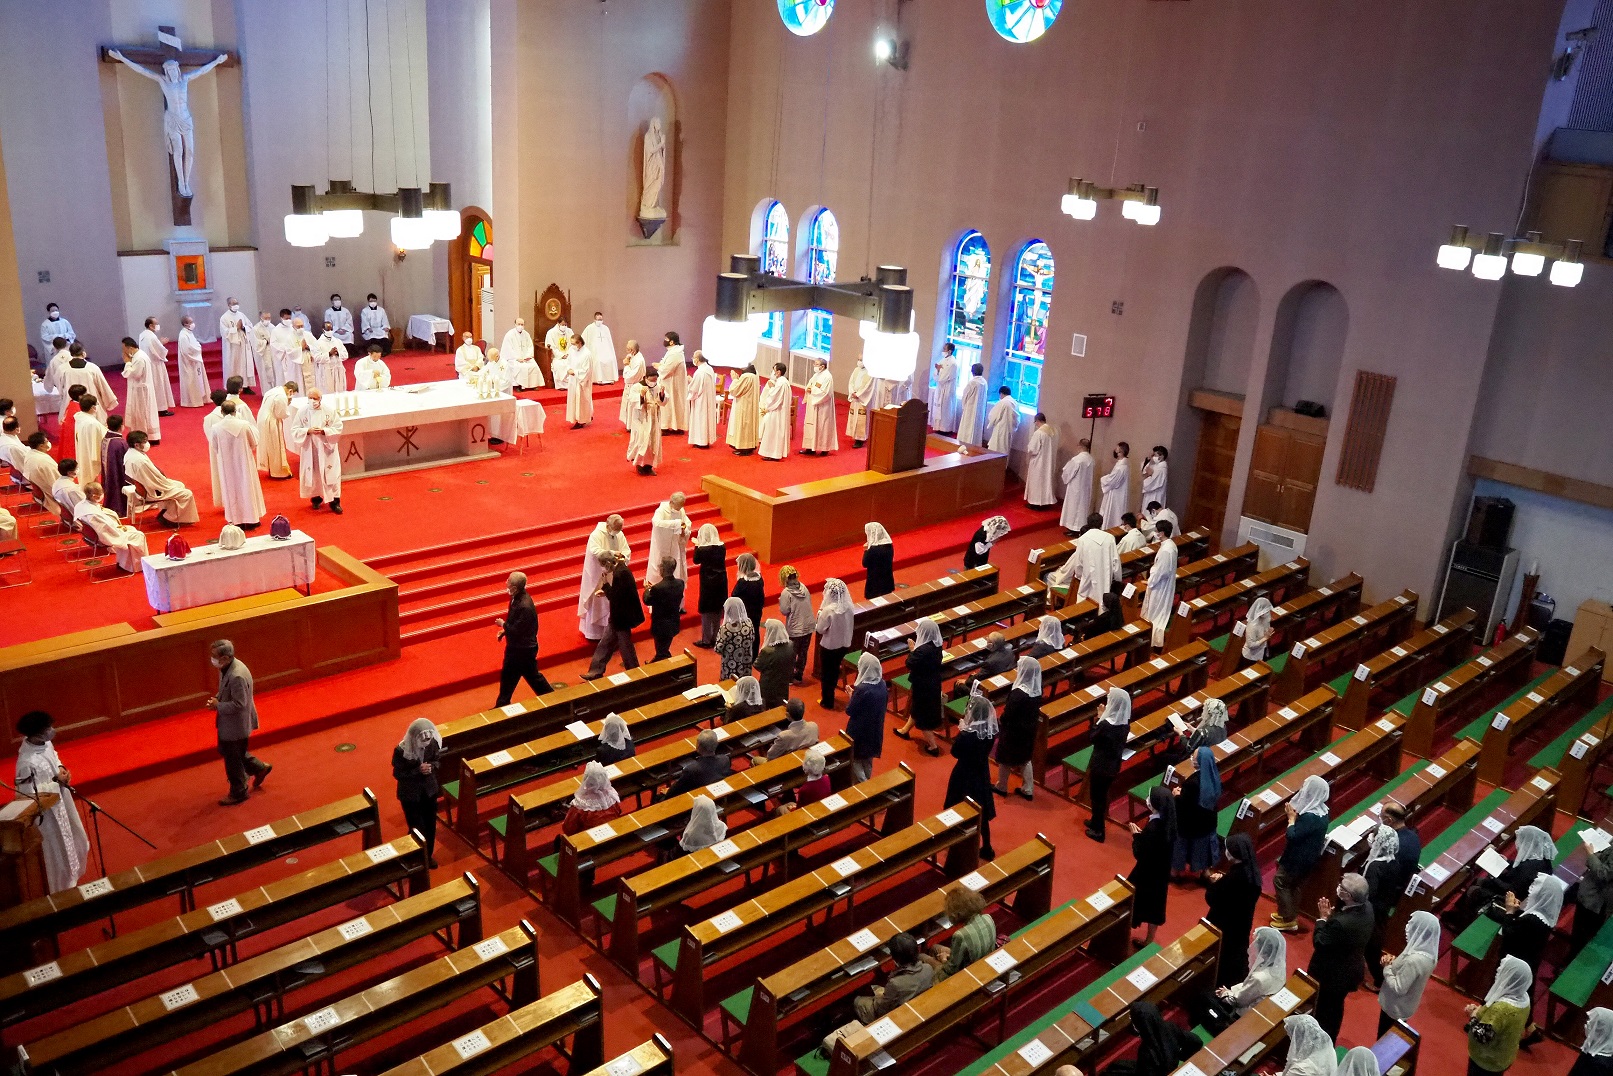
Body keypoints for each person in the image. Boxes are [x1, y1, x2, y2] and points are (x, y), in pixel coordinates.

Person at [13, 711, 90, 894]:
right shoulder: (27, 763)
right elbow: (27, 794)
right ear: (37, 733)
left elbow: (54, 756)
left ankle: (71, 879)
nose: (52, 730)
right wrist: (56, 783)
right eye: (48, 728)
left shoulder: (44, 743)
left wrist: (61, 768)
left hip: (62, 803)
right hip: (47, 817)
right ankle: (59, 890)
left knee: (73, 838)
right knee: (56, 852)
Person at [1309, 872, 1375, 1040]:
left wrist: (1323, 920)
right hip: (1350, 968)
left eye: (1342, 887)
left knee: (1324, 1011)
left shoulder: (1341, 923)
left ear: (1349, 896)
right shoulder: (1367, 907)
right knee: (1336, 1008)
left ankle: (1320, 1041)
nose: (1338, 887)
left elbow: (1320, 942)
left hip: (1332, 974)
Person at [207, 640, 271, 806]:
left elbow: (239, 704)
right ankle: (259, 768)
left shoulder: (237, 676)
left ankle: (238, 791)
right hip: (231, 722)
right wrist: (218, 699)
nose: (212, 659)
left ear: (226, 657)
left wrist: (218, 705)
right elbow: (226, 690)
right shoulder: (227, 667)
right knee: (233, 752)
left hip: (236, 724)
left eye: (214, 656)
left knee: (232, 759)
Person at [1459, 824, 1555, 926]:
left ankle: (1462, 921)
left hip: (1512, 898)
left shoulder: (1529, 867)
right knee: (1479, 881)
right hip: (1519, 888)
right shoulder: (1542, 858)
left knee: (1474, 890)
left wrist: (1493, 877)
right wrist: (1508, 862)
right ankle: (1459, 911)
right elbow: (1521, 869)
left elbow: (1510, 890)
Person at [947, 686, 999, 859]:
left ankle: (954, 843)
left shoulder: (967, 736)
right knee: (981, 812)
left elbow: (955, 752)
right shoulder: (989, 733)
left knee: (956, 806)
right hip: (981, 773)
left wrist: (962, 732)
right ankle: (987, 846)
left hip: (964, 774)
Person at [1272, 775, 1330, 930]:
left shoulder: (1310, 816)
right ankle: (1288, 913)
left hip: (1297, 859)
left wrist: (1291, 819)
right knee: (1294, 885)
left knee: (1281, 882)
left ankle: (1288, 920)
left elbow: (1293, 835)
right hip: (1308, 858)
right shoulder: (1323, 812)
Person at [1206, 834, 1265, 987]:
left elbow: (1213, 899)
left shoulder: (1234, 877)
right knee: (1237, 952)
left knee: (1224, 956)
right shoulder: (1252, 872)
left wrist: (1215, 883)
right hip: (1242, 922)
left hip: (1226, 924)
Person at [1466, 956, 1532, 1076]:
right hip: (1504, 1057)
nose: (1497, 973)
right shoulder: (1524, 999)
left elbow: (1482, 1036)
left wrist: (1473, 1016)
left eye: (1502, 971)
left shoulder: (1501, 1009)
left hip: (1487, 1061)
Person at [495, 572, 554, 705]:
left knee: (531, 677)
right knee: (510, 676)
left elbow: (517, 630)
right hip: (517, 647)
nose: (506, 583)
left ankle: (553, 698)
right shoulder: (516, 598)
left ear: (515, 587)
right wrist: (505, 631)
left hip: (523, 650)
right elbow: (516, 623)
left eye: (508, 581)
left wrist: (503, 624)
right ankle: (502, 703)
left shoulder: (524, 606)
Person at [1377, 910, 1439, 1035]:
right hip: (1407, 1005)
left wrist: (1387, 967)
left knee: (1384, 1039)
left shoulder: (1413, 960)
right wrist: (1394, 962)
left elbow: (1398, 988)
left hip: (1395, 1008)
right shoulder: (1429, 955)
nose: (1407, 928)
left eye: (1412, 926)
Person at [1129, 785, 1176, 946]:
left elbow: (1141, 854)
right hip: (1161, 872)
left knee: (1131, 899)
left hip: (1146, 873)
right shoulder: (1169, 820)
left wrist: (1136, 836)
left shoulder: (1154, 827)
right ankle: (1149, 939)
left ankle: (1120, 934)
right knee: (1155, 906)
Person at [392, 718, 442, 868]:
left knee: (430, 825)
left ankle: (427, 856)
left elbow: (437, 760)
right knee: (417, 827)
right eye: (423, 739)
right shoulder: (401, 750)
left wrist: (431, 767)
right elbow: (398, 774)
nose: (426, 742)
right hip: (411, 795)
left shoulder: (432, 743)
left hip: (429, 791)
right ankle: (413, 855)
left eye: (428, 738)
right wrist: (417, 771)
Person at [1105, 1001, 1202, 1076]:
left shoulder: (1146, 1052)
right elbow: (1196, 1041)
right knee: (1117, 1065)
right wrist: (1181, 1056)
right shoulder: (1170, 1027)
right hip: (1169, 1067)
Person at [287, 388, 345, 513]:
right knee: (314, 474)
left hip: (326, 448)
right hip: (311, 449)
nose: (312, 401)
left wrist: (324, 431)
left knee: (331, 474)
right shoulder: (302, 412)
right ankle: (316, 499)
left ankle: (335, 502)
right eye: (310, 398)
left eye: (315, 398)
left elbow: (338, 427)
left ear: (320, 399)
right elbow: (295, 429)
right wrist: (307, 431)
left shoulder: (329, 411)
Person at [586, 554, 645, 676]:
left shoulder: (620, 574)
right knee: (605, 644)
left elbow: (616, 598)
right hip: (619, 615)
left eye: (604, 565)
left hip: (621, 616)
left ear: (609, 563)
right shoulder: (621, 570)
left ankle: (634, 671)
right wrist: (606, 591)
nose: (604, 568)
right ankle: (595, 671)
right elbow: (619, 593)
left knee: (625, 647)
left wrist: (606, 585)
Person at [854, 933, 934, 1022]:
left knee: (857, 1001)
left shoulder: (895, 983)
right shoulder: (928, 968)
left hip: (901, 1014)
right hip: (918, 1003)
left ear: (896, 957)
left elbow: (881, 1009)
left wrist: (877, 997)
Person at [1360, 824, 1403, 988]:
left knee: (1371, 948)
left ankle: (1380, 980)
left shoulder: (1375, 866)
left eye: (1374, 836)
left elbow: (1368, 892)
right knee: (1373, 944)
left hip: (1371, 910)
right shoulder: (1394, 862)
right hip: (1384, 908)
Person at [209, 401, 265, 527]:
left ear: (221, 412)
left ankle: (235, 519)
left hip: (226, 465)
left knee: (231, 488)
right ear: (235, 411)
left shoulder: (216, 428)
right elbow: (254, 442)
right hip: (244, 461)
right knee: (247, 486)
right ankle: (251, 519)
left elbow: (215, 447)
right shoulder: (244, 425)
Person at [895, 618, 946, 755]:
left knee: (923, 717)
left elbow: (909, 663)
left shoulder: (922, 650)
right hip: (933, 683)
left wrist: (912, 650)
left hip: (923, 687)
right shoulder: (937, 646)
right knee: (917, 708)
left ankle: (933, 747)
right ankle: (905, 730)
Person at [124, 431, 200, 523]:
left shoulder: (130, 453)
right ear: (136, 445)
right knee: (187, 494)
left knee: (179, 484)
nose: (147, 443)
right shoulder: (140, 461)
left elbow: (150, 477)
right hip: (150, 492)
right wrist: (167, 484)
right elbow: (154, 482)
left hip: (144, 487)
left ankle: (167, 511)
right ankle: (170, 519)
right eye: (144, 441)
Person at [994, 656, 1042, 800]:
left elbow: (1009, 713)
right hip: (1029, 731)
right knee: (1025, 759)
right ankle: (1028, 789)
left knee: (1005, 759)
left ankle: (1001, 786)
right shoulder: (1036, 690)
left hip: (1013, 732)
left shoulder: (1018, 693)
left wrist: (1001, 721)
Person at [921, 887, 995, 981]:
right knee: (934, 947)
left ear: (957, 913)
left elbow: (951, 969)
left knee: (922, 957)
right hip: (982, 962)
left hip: (966, 973)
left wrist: (944, 959)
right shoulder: (988, 918)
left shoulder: (961, 935)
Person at [1087, 686, 1131, 841]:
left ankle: (1099, 831)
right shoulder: (1124, 724)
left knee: (1097, 798)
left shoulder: (1106, 725)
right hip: (1112, 766)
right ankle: (1095, 822)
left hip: (1101, 766)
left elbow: (1092, 737)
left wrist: (1099, 717)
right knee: (1101, 796)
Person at [73, 482, 149, 571]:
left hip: (93, 534)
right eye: (100, 494)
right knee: (138, 535)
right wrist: (120, 529)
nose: (102, 495)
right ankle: (138, 566)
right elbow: (107, 530)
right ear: (94, 496)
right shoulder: (94, 515)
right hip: (103, 536)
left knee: (131, 529)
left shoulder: (80, 505)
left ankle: (124, 563)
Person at [1173, 745, 1222, 876]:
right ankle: (1205, 872)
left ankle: (1175, 872)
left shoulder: (1192, 783)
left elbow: (1185, 805)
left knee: (1180, 844)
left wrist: (1177, 795)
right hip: (1208, 822)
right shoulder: (1214, 775)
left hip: (1191, 824)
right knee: (1204, 850)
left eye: (1193, 757)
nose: (1191, 759)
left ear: (1198, 762)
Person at [1051, 513, 1121, 605]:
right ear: (1101, 523)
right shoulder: (1110, 538)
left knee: (1086, 603)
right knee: (1103, 600)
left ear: (1088, 523)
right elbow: (1115, 560)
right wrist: (1117, 578)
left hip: (1088, 578)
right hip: (1105, 577)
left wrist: (1079, 576)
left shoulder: (1083, 539)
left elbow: (1079, 563)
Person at [580, 515, 631, 641]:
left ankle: (610, 633)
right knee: (598, 602)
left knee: (611, 601)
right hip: (598, 574)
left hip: (614, 574)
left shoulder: (619, 534)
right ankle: (594, 634)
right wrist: (612, 554)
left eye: (619, 529)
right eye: (616, 529)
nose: (617, 532)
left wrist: (622, 557)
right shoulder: (596, 535)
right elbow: (594, 551)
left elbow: (626, 550)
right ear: (608, 526)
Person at [1216, 926, 1287, 1015]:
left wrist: (1225, 993)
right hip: (1264, 1005)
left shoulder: (1259, 978)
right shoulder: (1279, 968)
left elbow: (1238, 1001)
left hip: (1249, 1013)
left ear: (1263, 950)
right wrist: (1231, 991)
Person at [845, 652, 888, 782]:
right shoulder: (882, 684)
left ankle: (864, 787)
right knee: (868, 760)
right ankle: (868, 781)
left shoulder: (863, 689)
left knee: (855, 760)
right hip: (875, 729)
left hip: (860, 731)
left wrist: (851, 696)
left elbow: (850, 710)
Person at [814, 578, 855, 709]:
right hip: (844, 644)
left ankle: (827, 701)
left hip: (829, 646)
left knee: (826, 673)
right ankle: (831, 694)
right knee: (835, 669)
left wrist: (819, 616)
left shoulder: (828, 610)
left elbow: (820, 629)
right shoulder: (848, 606)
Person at [1139, 520, 1178, 646]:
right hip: (1162, 583)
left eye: (1156, 531)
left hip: (1160, 585)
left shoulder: (1167, 550)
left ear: (1161, 533)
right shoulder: (1170, 545)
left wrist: (1151, 581)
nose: (1155, 533)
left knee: (1155, 612)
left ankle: (1153, 640)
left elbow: (1162, 571)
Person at [562, 762, 623, 837]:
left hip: (589, 839)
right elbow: (618, 813)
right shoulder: (612, 798)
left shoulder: (580, 806)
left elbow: (568, 829)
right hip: (614, 835)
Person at [693, 524, 730, 647]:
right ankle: (715, 636)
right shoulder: (722, 547)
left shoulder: (703, 550)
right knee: (718, 608)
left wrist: (697, 545)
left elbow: (696, 560)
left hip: (708, 583)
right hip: (721, 580)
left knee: (707, 610)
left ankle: (706, 639)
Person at [641, 555, 683, 663]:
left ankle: (658, 666)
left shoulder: (657, 588)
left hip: (660, 625)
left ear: (663, 569)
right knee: (663, 648)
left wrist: (647, 590)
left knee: (661, 651)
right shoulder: (680, 583)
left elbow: (647, 600)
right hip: (673, 621)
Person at [120, 336, 162, 442]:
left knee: (142, 414)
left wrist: (127, 362)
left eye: (124, 349)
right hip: (141, 390)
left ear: (130, 348)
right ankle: (144, 435)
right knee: (142, 414)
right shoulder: (138, 356)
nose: (123, 352)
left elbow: (135, 374)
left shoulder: (139, 358)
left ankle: (144, 436)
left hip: (141, 392)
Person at [1575, 836, 1613, 950]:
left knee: (1581, 940)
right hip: (1596, 899)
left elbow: (1603, 874)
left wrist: (1591, 854)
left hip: (1595, 901)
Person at [627, 366, 666, 474]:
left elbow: (662, 401)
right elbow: (631, 400)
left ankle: (649, 466)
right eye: (651, 380)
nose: (653, 383)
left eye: (655, 380)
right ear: (645, 378)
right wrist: (641, 395)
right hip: (642, 419)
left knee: (653, 442)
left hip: (654, 419)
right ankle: (640, 465)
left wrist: (662, 394)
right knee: (642, 441)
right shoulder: (637, 387)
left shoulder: (657, 386)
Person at [667, 733, 732, 797]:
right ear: (716, 744)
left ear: (698, 746)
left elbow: (675, 790)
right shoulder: (725, 759)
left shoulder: (691, 770)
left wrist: (668, 792)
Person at [647, 492, 690, 586]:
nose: (679, 509)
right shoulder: (661, 510)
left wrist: (684, 530)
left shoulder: (681, 510)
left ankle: (674, 584)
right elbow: (656, 522)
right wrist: (675, 524)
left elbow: (687, 523)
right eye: (677, 507)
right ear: (671, 502)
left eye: (680, 507)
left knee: (675, 565)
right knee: (660, 564)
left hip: (675, 544)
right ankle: (658, 585)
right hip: (662, 543)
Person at [138, 314, 177, 414]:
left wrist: (159, 343)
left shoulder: (142, 335)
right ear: (151, 326)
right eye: (156, 324)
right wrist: (162, 343)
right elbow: (159, 351)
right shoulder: (152, 337)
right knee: (159, 386)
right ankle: (161, 409)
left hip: (147, 364)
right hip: (155, 365)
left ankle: (152, 408)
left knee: (153, 387)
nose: (158, 325)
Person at [801, 357, 838, 454]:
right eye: (814, 364)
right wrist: (808, 389)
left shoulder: (827, 377)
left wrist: (812, 390)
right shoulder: (816, 375)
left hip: (822, 406)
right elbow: (810, 385)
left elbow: (826, 392)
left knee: (822, 426)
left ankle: (824, 448)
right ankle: (810, 448)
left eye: (816, 364)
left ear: (822, 366)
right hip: (812, 405)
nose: (814, 366)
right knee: (810, 424)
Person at [716, 597, 758, 681]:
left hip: (730, 667)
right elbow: (753, 639)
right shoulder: (749, 624)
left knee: (729, 686)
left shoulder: (726, 629)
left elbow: (718, 648)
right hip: (746, 664)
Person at [754, 618, 794, 707]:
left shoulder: (767, 651)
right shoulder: (790, 645)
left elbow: (757, 665)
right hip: (783, 684)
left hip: (768, 687)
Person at [1024, 413, 1059, 508]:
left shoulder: (1039, 433)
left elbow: (1033, 449)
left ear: (1038, 421)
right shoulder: (1053, 432)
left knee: (1037, 481)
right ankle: (1045, 502)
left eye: (1035, 422)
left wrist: (1029, 451)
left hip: (1038, 462)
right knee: (1045, 481)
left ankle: (1035, 503)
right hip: (1048, 462)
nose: (1035, 424)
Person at [656, 332, 689, 432]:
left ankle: (667, 426)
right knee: (671, 404)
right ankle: (673, 425)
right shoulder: (673, 351)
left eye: (666, 339)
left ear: (672, 342)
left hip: (673, 384)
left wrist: (658, 367)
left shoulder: (676, 354)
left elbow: (667, 369)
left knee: (671, 404)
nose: (664, 341)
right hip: (669, 382)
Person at [1060, 438, 1095, 532]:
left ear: (1080, 446)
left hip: (1075, 488)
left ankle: (1073, 527)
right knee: (1082, 508)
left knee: (1074, 507)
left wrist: (1065, 476)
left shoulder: (1077, 459)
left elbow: (1068, 472)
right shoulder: (1091, 459)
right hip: (1085, 488)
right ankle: (1080, 526)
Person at [175, 315, 210, 407]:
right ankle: (192, 401)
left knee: (198, 380)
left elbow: (196, 344)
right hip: (189, 362)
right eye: (191, 322)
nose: (193, 324)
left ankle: (200, 398)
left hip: (195, 360)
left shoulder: (189, 333)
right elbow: (186, 350)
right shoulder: (183, 335)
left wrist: (198, 348)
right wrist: (198, 350)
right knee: (191, 380)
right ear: (185, 324)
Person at [759, 362, 791, 460]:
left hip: (777, 412)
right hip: (780, 411)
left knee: (774, 432)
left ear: (778, 372)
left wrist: (771, 388)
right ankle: (774, 453)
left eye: (774, 370)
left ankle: (774, 454)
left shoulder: (781, 383)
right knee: (775, 432)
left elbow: (774, 397)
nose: (773, 373)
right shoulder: (784, 381)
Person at [71, 397, 106, 487]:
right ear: (93, 408)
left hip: (84, 449)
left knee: (86, 472)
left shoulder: (80, 417)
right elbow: (104, 437)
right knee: (91, 473)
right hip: (90, 452)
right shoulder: (92, 423)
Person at [686, 351, 719, 447]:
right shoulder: (709, 369)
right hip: (708, 398)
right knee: (706, 419)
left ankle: (701, 442)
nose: (693, 359)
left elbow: (694, 388)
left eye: (694, 357)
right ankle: (706, 440)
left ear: (697, 359)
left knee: (700, 419)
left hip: (701, 400)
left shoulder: (699, 372)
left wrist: (690, 381)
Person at [733, 553, 766, 647]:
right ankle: (755, 651)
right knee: (755, 630)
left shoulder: (743, 582)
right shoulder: (759, 578)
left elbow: (734, 595)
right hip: (757, 611)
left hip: (746, 612)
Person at [726, 362, 761, 453]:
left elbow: (735, 390)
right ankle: (749, 446)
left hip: (744, 405)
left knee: (743, 425)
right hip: (750, 403)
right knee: (749, 425)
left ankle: (744, 448)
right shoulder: (755, 373)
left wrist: (734, 379)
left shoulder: (747, 376)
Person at [563, 335, 595, 427]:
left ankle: (582, 420)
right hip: (573, 380)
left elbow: (587, 370)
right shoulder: (572, 350)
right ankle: (575, 418)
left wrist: (575, 372)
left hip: (581, 381)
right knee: (573, 400)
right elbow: (568, 361)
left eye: (573, 344)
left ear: (580, 343)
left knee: (582, 401)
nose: (572, 346)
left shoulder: (587, 354)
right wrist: (568, 369)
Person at [928, 343, 960, 434]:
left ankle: (945, 429)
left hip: (947, 389)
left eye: (944, 349)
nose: (943, 351)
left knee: (945, 410)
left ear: (949, 351)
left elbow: (944, 377)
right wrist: (938, 370)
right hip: (940, 388)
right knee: (938, 408)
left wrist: (939, 370)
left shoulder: (953, 363)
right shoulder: (942, 360)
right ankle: (937, 427)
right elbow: (936, 375)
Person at [501, 318, 542, 389]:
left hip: (525, 358)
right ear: (515, 324)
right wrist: (517, 358)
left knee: (534, 366)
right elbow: (508, 349)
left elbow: (530, 346)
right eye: (519, 324)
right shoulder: (509, 334)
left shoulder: (526, 334)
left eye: (522, 324)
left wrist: (528, 356)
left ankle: (532, 385)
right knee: (520, 367)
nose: (520, 326)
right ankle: (518, 385)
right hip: (513, 359)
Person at [101, 416, 130, 514]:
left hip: (109, 472)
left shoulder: (105, 439)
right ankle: (119, 506)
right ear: (121, 426)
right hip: (117, 474)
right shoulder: (120, 443)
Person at [1571, 1009, 1613, 1076]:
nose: (1587, 1023)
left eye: (1591, 1021)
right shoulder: (1600, 1052)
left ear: (1600, 1030)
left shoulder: (1595, 1064)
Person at [1100, 441, 1132, 529]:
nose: (1115, 449)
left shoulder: (1122, 466)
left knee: (1114, 513)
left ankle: (1112, 528)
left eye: (1117, 447)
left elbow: (1113, 480)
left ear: (1121, 450)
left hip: (1117, 494)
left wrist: (1103, 479)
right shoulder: (1122, 463)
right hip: (1117, 492)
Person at [846, 357, 875, 446]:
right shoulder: (856, 370)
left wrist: (858, 394)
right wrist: (852, 392)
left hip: (862, 399)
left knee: (861, 418)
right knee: (854, 416)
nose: (859, 361)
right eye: (858, 359)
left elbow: (868, 386)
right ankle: (854, 435)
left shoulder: (870, 372)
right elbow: (851, 382)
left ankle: (860, 438)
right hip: (855, 398)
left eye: (861, 360)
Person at [583, 311, 618, 384]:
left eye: (601, 319)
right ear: (594, 320)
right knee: (598, 361)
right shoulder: (589, 328)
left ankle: (610, 378)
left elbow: (609, 341)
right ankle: (598, 379)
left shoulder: (605, 328)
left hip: (605, 350)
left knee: (610, 359)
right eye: (598, 319)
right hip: (595, 351)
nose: (600, 321)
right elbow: (584, 338)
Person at [314, 323, 349, 393]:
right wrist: (329, 354)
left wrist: (338, 353)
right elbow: (316, 358)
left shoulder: (338, 341)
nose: (330, 331)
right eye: (328, 329)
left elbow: (346, 355)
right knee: (328, 390)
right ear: (323, 330)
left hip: (338, 369)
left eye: (331, 329)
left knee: (340, 390)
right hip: (326, 371)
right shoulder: (318, 343)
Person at [862, 522, 895, 599]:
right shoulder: (889, 546)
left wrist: (866, 550)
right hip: (887, 580)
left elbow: (864, 563)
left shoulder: (873, 550)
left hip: (875, 584)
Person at [957, 364, 987, 445]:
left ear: (972, 371)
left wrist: (964, 406)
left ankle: (965, 443)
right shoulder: (984, 382)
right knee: (976, 428)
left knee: (967, 427)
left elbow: (965, 395)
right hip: (980, 410)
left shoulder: (972, 382)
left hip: (970, 408)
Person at [1241, 596, 1275, 665]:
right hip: (1251, 657)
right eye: (1266, 611)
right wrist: (1265, 638)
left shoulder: (1265, 619)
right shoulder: (1252, 626)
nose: (1268, 613)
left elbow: (1265, 632)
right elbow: (1251, 645)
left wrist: (1268, 632)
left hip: (1262, 652)